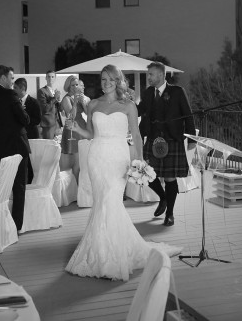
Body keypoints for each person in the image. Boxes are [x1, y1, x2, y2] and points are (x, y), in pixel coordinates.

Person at [65, 64, 181, 281]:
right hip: (97, 157)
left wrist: (139, 159)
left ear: (118, 81)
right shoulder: (93, 105)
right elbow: (90, 133)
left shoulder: (128, 105)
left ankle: (112, 255)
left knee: (112, 201)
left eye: (111, 79)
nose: (106, 83)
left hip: (118, 157)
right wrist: (76, 129)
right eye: (102, 79)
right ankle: (101, 253)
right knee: (102, 202)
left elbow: (136, 135)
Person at [137, 61, 196, 226]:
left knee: (170, 177)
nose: (148, 77)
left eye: (151, 74)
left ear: (161, 75)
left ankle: (169, 213)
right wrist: (127, 102)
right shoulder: (148, 93)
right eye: (148, 74)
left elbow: (188, 115)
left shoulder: (177, 91)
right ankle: (163, 197)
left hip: (172, 139)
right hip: (152, 138)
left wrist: (191, 139)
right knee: (145, 173)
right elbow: (139, 110)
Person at [0, 65, 30, 231]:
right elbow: (25, 119)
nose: (12, 81)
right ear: (2, 78)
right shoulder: (10, 95)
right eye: (11, 78)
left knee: (0, 187)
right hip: (17, 146)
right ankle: (16, 225)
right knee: (18, 187)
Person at [59, 75, 88, 183]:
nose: (75, 87)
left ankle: (81, 188)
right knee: (77, 161)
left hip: (82, 128)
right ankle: (77, 189)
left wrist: (83, 102)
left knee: (82, 160)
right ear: (68, 86)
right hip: (72, 130)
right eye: (73, 85)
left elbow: (87, 113)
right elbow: (71, 116)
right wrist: (75, 102)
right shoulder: (66, 99)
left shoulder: (80, 97)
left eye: (77, 84)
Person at [14, 77, 41, 183]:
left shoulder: (33, 102)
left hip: (31, 136)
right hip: (18, 137)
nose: (13, 90)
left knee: (31, 162)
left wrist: (25, 118)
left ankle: (31, 184)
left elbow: (37, 120)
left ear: (22, 88)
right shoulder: (15, 102)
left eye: (15, 88)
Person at [38, 70, 62, 139]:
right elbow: (45, 109)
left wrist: (59, 101)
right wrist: (55, 98)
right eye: (48, 77)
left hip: (57, 123)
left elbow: (59, 109)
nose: (50, 78)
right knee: (49, 145)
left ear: (55, 78)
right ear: (45, 78)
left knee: (57, 145)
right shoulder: (41, 91)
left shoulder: (55, 91)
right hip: (48, 123)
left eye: (52, 77)